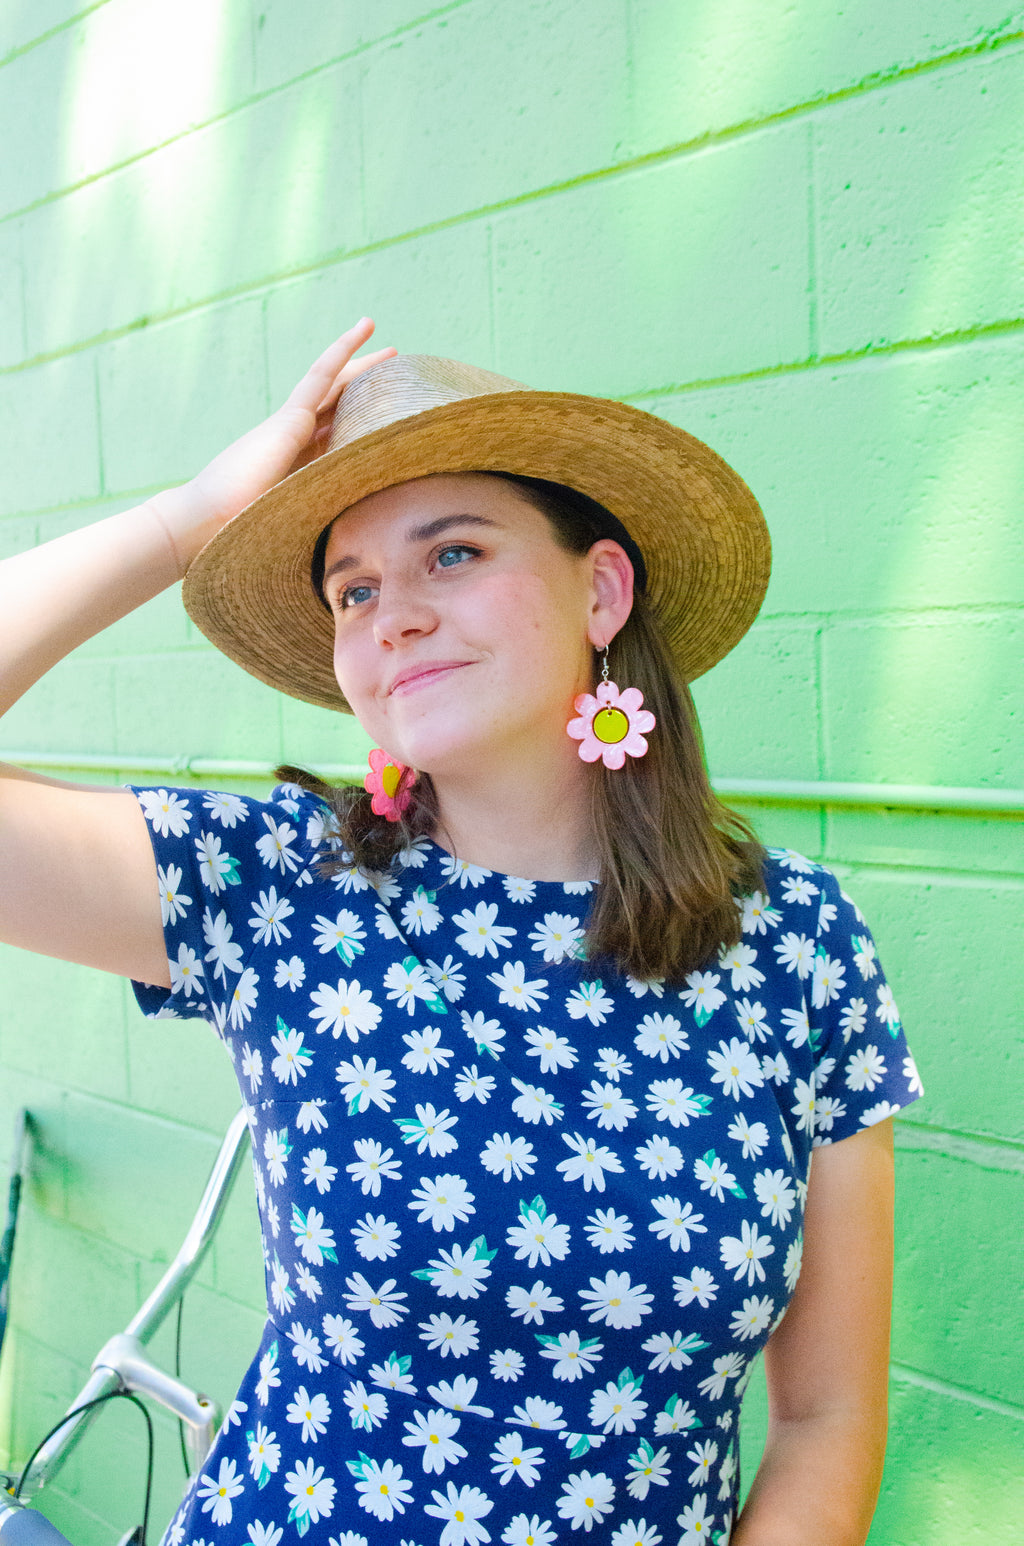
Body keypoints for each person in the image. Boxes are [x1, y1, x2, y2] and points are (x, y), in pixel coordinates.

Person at [0, 319, 921, 1545]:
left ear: (600, 589)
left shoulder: (795, 943)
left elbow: (827, 1419)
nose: (393, 617)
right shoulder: (280, 885)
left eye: (453, 553)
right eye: (355, 588)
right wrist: (189, 517)